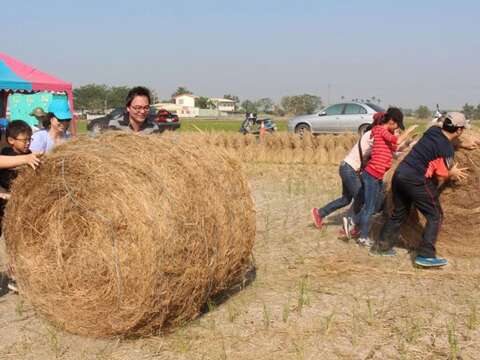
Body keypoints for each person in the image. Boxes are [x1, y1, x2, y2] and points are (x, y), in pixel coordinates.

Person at [370, 112, 469, 267]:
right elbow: (442, 175)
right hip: (416, 180)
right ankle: (426, 255)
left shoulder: (432, 131)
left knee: (399, 213)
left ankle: (381, 247)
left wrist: (461, 144)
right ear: (459, 130)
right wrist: (453, 173)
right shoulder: (447, 150)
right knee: (435, 215)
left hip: (400, 174)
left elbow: (441, 138)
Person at [349, 108, 415, 247]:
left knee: (375, 205)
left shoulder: (385, 135)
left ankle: (354, 222)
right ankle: (362, 236)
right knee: (370, 207)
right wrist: (408, 131)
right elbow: (395, 141)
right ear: (392, 121)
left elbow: (395, 148)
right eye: (398, 125)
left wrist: (409, 143)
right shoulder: (380, 130)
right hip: (372, 174)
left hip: (377, 176)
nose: (397, 129)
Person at [311, 126, 374, 231]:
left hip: (346, 167)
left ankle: (319, 213)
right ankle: (351, 225)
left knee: (346, 199)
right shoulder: (372, 137)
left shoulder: (366, 137)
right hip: (350, 170)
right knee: (361, 198)